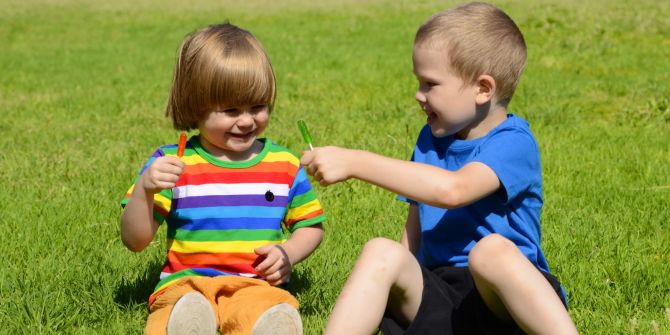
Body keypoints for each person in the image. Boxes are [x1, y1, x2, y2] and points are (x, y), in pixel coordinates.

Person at [300, 2, 578, 334]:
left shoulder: (514, 142)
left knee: (489, 252)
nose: (418, 95)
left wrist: (356, 161)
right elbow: (415, 228)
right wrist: (398, 274)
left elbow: (453, 190)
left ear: (482, 89)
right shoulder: (430, 139)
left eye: (430, 84)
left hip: (508, 305)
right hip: (446, 301)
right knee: (381, 251)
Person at [120, 22, 325, 335]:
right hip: (186, 284)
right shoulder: (173, 162)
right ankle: (188, 323)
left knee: (269, 310)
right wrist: (145, 191)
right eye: (230, 110)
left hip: (254, 284)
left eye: (258, 106)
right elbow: (135, 241)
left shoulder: (283, 163)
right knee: (179, 311)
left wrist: (289, 253)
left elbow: (310, 225)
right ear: (196, 106)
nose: (246, 121)